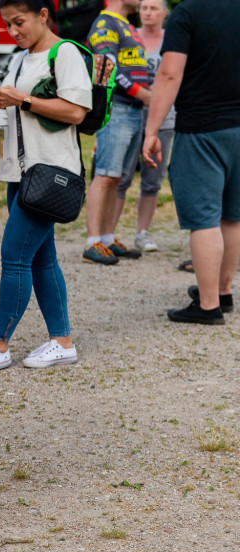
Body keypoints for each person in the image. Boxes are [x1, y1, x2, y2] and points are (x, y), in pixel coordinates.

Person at [0, 0, 89, 374]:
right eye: (8, 25)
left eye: (20, 22)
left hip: (49, 171)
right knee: (42, 258)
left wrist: (23, 99)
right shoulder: (18, 59)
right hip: (19, 171)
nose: (14, 31)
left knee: (14, 255)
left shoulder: (65, 53)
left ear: (43, 15)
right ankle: (62, 342)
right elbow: (17, 108)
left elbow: (76, 112)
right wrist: (0, 99)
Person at [142, 0, 240, 325]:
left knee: (204, 219)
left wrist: (152, 130)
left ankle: (208, 305)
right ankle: (223, 292)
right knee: (232, 216)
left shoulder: (188, 12)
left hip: (201, 127)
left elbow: (169, 74)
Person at [81, 0, 148, 265]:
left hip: (134, 110)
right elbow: (107, 69)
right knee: (106, 174)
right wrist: (144, 94)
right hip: (116, 109)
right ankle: (92, 242)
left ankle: (107, 238)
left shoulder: (128, 25)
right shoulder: (104, 23)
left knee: (117, 177)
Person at [112, 0, 172, 254]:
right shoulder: (129, 36)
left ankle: (142, 234)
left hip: (165, 119)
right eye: (144, 7)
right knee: (120, 176)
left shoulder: (173, 39)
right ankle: (108, 234)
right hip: (131, 112)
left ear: (164, 13)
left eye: (153, 8)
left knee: (153, 178)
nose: (147, 12)